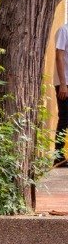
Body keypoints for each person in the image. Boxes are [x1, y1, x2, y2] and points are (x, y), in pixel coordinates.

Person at [54, 22, 68, 168]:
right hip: (64, 83)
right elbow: (59, 56)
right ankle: (58, 157)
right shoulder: (64, 30)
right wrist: (63, 84)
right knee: (64, 118)